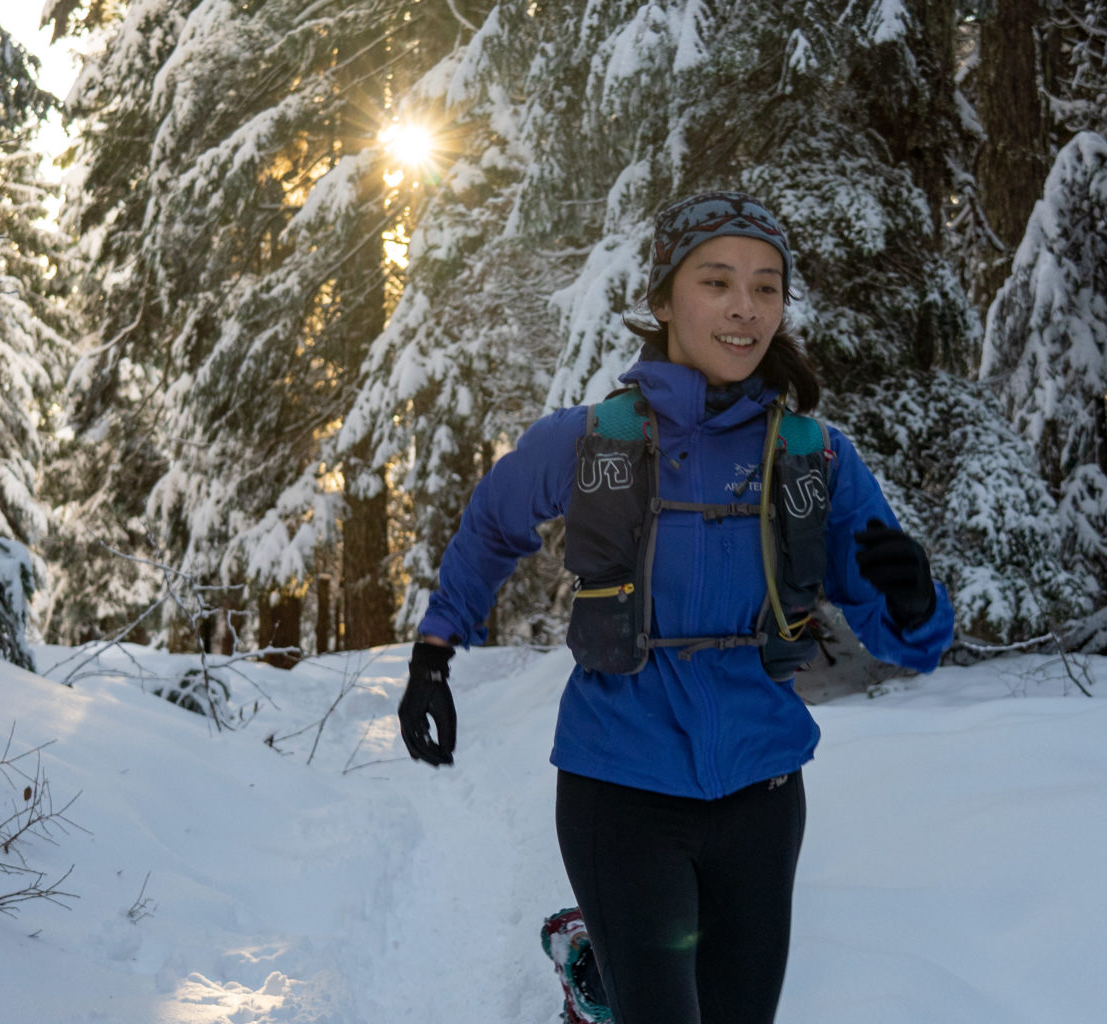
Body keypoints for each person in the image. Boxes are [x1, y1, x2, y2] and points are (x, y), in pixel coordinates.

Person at [397, 191, 953, 1024]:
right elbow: (491, 527)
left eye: (767, 288)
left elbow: (903, 638)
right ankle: (608, 976)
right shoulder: (590, 440)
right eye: (718, 282)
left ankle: (596, 974)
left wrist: (914, 602)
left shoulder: (816, 458)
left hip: (762, 794)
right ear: (663, 301)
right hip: (618, 786)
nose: (745, 308)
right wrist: (433, 655)